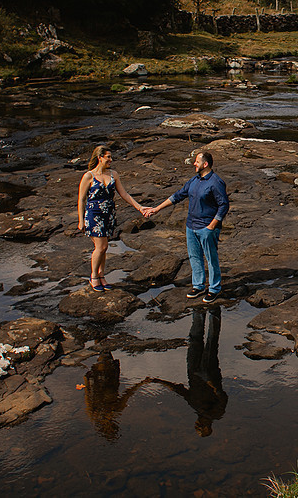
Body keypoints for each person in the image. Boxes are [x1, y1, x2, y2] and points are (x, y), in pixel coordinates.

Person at [145, 150, 229, 303]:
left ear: (206, 164)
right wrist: (156, 209)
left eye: (196, 161)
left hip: (207, 228)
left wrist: (212, 225)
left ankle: (214, 289)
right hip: (191, 226)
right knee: (194, 257)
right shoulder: (194, 180)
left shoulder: (216, 182)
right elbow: (178, 195)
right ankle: (198, 286)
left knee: (211, 259)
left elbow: (223, 205)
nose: (194, 164)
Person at [77, 145, 150, 291]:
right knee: (101, 246)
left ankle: (101, 275)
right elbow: (81, 199)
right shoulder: (88, 176)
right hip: (94, 214)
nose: (111, 159)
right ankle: (93, 276)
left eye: (111, 157)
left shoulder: (113, 174)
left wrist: (139, 207)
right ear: (100, 158)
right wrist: (80, 220)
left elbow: (124, 194)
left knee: (104, 248)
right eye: (108, 157)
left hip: (108, 215)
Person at [153, 308, 226, 437]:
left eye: (196, 426)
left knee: (194, 341)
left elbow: (180, 391)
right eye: (199, 426)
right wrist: (212, 385)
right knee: (211, 342)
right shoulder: (216, 413)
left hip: (193, 372)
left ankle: (198, 312)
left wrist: (159, 381)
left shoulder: (196, 408)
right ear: (206, 426)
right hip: (209, 374)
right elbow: (223, 397)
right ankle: (214, 312)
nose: (196, 423)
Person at [83, 350, 153, 441]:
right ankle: (101, 343)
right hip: (108, 377)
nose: (111, 426)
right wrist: (141, 383)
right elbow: (128, 394)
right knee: (105, 354)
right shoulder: (115, 409)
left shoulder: (95, 414)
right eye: (112, 428)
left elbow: (88, 398)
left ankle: (101, 343)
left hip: (102, 379)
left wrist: (86, 382)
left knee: (104, 354)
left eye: (109, 429)